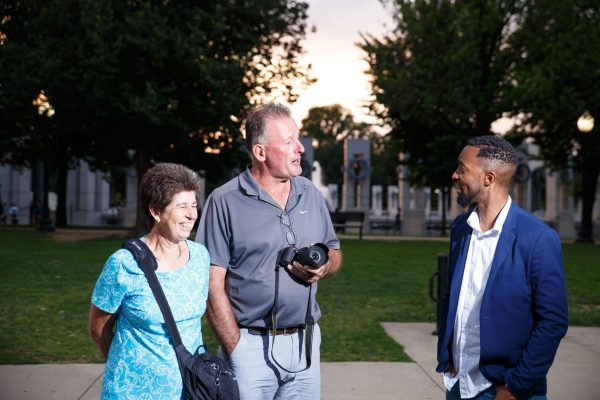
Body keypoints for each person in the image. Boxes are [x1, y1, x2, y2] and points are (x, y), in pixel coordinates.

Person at [196, 102, 342, 399]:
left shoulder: (310, 193)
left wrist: (325, 266)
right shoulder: (224, 201)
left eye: (297, 138)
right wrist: (236, 347)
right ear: (260, 152)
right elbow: (211, 284)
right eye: (289, 142)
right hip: (249, 347)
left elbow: (334, 251)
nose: (300, 148)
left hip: (305, 345)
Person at [436, 136, 568, 400]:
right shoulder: (461, 228)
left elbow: (553, 322)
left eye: (462, 168)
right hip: (458, 382)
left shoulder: (538, 238)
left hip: (505, 388)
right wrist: (447, 353)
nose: (454, 175)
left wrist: (515, 387)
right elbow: (453, 295)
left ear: (488, 178)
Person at [89, 163, 208, 399]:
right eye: (182, 206)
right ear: (156, 211)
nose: (192, 214)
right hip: (131, 392)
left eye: (194, 205)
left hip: (189, 391)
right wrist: (130, 366)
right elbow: (98, 329)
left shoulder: (200, 256)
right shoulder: (123, 264)